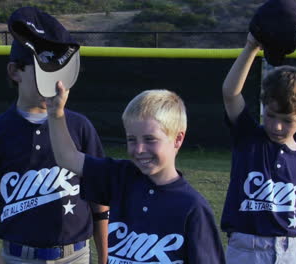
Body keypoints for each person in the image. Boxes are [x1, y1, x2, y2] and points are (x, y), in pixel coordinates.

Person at [0, 7, 108, 264]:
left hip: (75, 256)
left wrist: (105, 258)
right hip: (18, 257)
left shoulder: (80, 127)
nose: (53, 83)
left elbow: (100, 202)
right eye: (42, 71)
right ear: (14, 71)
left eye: (56, 72)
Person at [46, 85, 225, 263]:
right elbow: (67, 157)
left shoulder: (192, 207)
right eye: (132, 139)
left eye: (150, 139)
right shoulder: (120, 177)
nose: (139, 149)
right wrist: (56, 115)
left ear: (178, 139)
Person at [220, 32, 296, 264]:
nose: (276, 126)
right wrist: (250, 47)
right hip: (245, 251)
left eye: (287, 120)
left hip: (288, 251)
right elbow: (230, 93)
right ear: (263, 106)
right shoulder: (248, 137)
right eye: (270, 115)